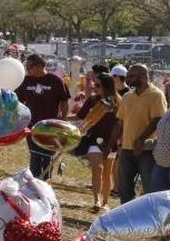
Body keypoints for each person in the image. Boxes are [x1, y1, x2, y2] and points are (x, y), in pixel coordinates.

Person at [109, 64, 167, 203]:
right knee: (124, 189)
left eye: (131, 76)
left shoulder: (156, 95)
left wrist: (140, 140)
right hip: (126, 150)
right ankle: (126, 220)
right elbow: (120, 123)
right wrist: (109, 145)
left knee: (149, 190)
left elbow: (157, 120)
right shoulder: (128, 96)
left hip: (146, 151)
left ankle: (147, 221)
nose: (128, 79)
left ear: (143, 76)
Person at [16, 53, 71, 180]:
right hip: (31, 125)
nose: (27, 69)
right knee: (35, 156)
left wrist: (62, 120)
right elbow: (18, 102)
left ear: (40, 66)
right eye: (27, 66)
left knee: (47, 156)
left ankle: (45, 183)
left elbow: (64, 101)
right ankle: (33, 183)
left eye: (30, 66)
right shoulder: (25, 81)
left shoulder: (56, 81)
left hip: (51, 126)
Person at [75, 73, 119, 212]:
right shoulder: (93, 100)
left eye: (98, 85)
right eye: (94, 84)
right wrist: (61, 119)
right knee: (97, 168)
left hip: (110, 141)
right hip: (94, 139)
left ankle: (105, 202)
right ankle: (96, 200)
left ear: (107, 86)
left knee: (107, 172)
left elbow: (121, 122)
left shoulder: (118, 101)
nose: (95, 87)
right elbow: (80, 116)